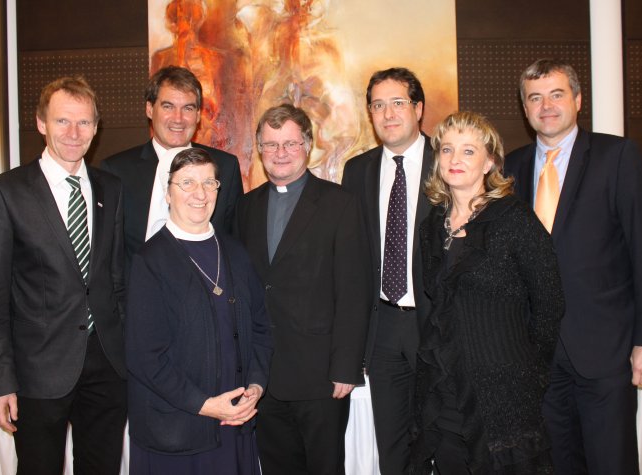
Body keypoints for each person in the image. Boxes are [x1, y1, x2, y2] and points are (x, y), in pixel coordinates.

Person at [504, 59, 642, 475]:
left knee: (611, 462)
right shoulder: (511, 168)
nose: (546, 106)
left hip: (606, 351)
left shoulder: (617, 156)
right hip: (538, 356)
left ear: (578, 100)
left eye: (556, 95)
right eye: (535, 98)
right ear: (524, 108)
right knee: (555, 464)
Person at [0, 77, 127, 474]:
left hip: (107, 366)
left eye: (84, 122)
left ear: (96, 127)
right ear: (41, 123)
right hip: (37, 372)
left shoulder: (111, 188)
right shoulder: (5, 193)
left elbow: (115, 280)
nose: (74, 133)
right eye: (63, 121)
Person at [409, 111, 564, 474]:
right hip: (444, 390)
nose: (455, 159)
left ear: (489, 162)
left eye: (468, 150)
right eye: (447, 149)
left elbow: (550, 303)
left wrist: (528, 370)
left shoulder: (515, 219)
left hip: (502, 393)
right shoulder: (432, 225)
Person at [234, 104, 371, 474]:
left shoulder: (340, 203)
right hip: (263, 376)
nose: (280, 153)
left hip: (320, 375)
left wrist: (346, 367)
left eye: (290, 144)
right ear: (259, 149)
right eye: (271, 144)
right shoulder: (245, 207)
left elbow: (354, 290)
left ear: (307, 146)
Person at [125, 148, 272, 474]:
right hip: (178, 431)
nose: (200, 193)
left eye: (209, 183)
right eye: (187, 183)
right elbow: (145, 358)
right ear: (168, 193)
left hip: (235, 421)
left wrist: (256, 385)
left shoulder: (236, 252)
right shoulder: (149, 261)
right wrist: (206, 406)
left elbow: (261, 327)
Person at [341, 67, 433, 474]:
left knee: (445, 440)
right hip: (382, 331)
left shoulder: (447, 161)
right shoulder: (357, 171)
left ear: (418, 108)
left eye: (397, 103)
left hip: (437, 326)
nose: (388, 113)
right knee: (392, 447)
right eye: (378, 105)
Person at [101, 65, 243, 275]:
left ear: (198, 115)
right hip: (140, 290)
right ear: (150, 109)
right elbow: (109, 254)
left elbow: (234, 244)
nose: (178, 118)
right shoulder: (117, 171)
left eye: (188, 108)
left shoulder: (225, 167)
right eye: (168, 106)